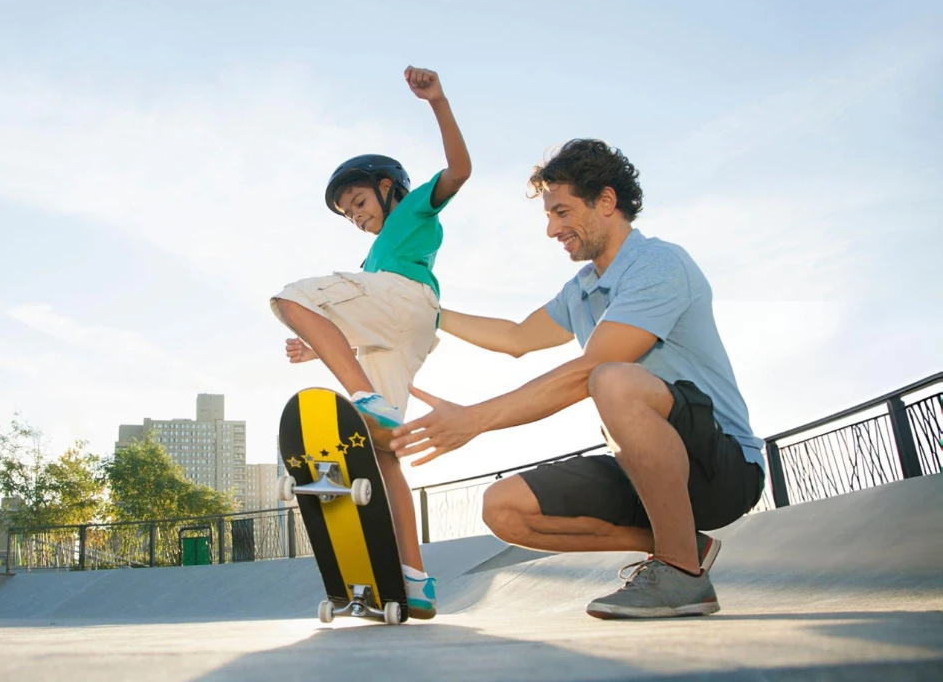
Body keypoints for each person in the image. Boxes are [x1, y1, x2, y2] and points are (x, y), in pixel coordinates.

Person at [387, 139, 766, 620]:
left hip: (721, 465)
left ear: (606, 202)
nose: (552, 229)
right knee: (503, 508)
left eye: (562, 212)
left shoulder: (659, 264)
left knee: (611, 379)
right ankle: (684, 545)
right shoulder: (582, 288)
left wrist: (474, 420)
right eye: (549, 215)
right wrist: (427, 312)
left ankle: (679, 573)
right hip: (643, 466)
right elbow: (517, 336)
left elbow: (591, 371)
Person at [270, 65, 472, 620]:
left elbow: (460, 169)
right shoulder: (371, 263)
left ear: (387, 187)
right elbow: (368, 323)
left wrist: (438, 101)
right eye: (348, 214)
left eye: (359, 203)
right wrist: (316, 347)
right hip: (406, 331)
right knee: (383, 453)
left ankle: (363, 398)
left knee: (290, 299)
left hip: (408, 299)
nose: (357, 217)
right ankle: (416, 580)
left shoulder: (412, 208)